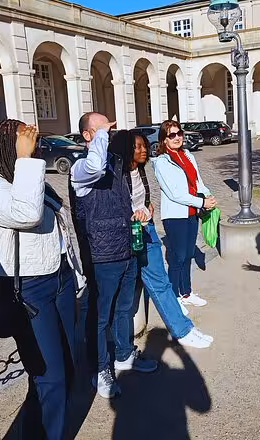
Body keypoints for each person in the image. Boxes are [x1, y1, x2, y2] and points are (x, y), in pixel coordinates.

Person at [0, 119, 83, 439]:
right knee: (50, 376)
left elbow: (59, 229)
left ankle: (35, 429)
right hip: (28, 289)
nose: (34, 146)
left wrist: (74, 272)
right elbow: (27, 214)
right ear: (8, 147)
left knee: (67, 364)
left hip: (59, 277)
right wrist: (26, 161)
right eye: (26, 140)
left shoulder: (27, 178)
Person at [69, 112, 158, 399]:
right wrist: (104, 135)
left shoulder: (116, 164)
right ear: (87, 136)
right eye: (103, 129)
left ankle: (124, 355)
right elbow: (94, 166)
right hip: (101, 255)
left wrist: (138, 213)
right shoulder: (81, 167)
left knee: (124, 308)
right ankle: (99, 369)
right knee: (99, 316)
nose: (110, 132)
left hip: (126, 248)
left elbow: (123, 203)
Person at [108, 129, 214, 349]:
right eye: (137, 147)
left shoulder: (140, 171)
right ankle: (122, 352)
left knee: (162, 283)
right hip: (126, 239)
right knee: (126, 297)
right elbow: (109, 211)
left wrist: (147, 207)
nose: (143, 150)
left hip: (147, 231)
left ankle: (183, 330)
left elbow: (143, 198)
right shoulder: (115, 176)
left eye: (144, 145)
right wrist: (131, 217)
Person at [153, 120, 216, 310]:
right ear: (164, 140)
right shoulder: (161, 162)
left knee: (188, 254)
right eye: (171, 135)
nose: (177, 137)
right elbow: (174, 193)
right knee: (177, 257)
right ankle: (174, 298)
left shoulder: (187, 155)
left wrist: (208, 195)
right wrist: (201, 202)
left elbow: (197, 181)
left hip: (191, 213)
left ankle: (186, 292)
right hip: (175, 215)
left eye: (179, 133)